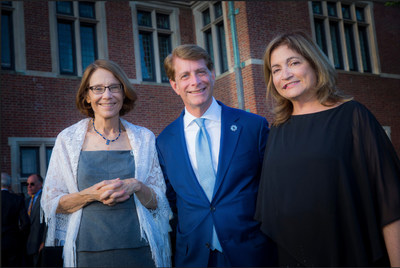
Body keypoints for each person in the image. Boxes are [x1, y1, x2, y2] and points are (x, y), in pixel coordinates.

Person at [255, 31, 400, 266]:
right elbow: (272, 206)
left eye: (294, 62)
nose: (286, 74)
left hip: (348, 255)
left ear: (314, 63)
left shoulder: (353, 116)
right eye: (276, 69)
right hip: (293, 258)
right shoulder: (278, 128)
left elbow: (391, 201)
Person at [40, 59, 171, 267]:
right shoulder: (68, 139)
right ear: (87, 96)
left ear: (123, 92)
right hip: (87, 252)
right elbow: (51, 203)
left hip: (140, 252)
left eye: (114, 87)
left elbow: (159, 203)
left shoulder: (144, 138)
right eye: (98, 88)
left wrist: (136, 186)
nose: (107, 95)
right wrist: (90, 194)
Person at [156, 44, 277, 267]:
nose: (195, 81)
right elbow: (171, 203)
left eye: (201, 72)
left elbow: (273, 191)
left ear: (212, 75)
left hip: (251, 253)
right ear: (175, 85)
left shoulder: (253, 127)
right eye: (185, 76)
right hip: (193, 257)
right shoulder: (164, 141)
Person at [1, 172, 30, 267]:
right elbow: (25, 223)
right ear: (9, 184)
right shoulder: (17, 199)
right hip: (13, 240)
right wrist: (19, 236)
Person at [25, 174, 45, 267]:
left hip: (39, 244)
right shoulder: (26, 201)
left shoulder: (44, 199)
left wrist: (44, 241)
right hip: (27, 245)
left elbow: (48, 222)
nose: (29, 186)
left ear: (40, 184)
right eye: (27, 184)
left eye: (32, 184)